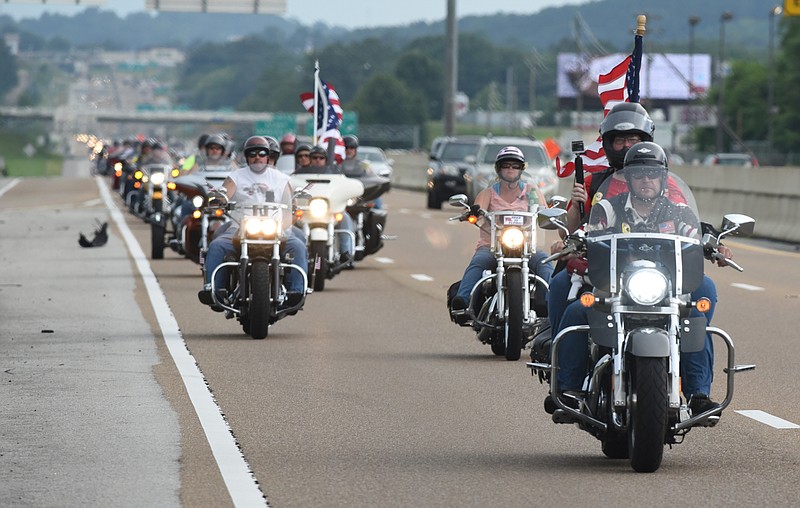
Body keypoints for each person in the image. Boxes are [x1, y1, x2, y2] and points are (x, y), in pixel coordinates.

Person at [552, 142, 728, 416]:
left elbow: (693, 235)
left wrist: (712, 246)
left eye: (652, 174)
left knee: (698, 313)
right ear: (629, 179)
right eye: (639, 175)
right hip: (616, 286)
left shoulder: (678, 212)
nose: (646, 180)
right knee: (577, 312)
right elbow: (590, 233)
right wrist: (577, 240)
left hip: (664, 287)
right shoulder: (608, 208)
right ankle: (568, 391)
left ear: (663, 179)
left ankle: (698, 395)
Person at [198, 135, 307, 309]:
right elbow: (225, 191)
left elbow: (290, 208)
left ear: (268, 155)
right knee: (217, 245)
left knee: (299, 246)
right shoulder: (236, 176)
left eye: (262, 153)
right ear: (247, 156)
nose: (257, 156)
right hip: (240, 227)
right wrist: (219, 197)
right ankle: (215, 290)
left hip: (276, 228)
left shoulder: (281, 179)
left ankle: (296, 292)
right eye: (252, 153)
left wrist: (286, 222)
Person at [450, 146, 554, 313]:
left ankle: (550, 303)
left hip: (526, 247)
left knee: (545, 263)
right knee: (478, 263)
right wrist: (474, 213)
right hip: (492, 247)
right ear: (498, 169)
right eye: (506, 165)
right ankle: (463, 301)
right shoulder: (488, 193)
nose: (511, 169)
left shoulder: (532, 191)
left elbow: (544, 210)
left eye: (515, 165)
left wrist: (550, 214)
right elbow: (477, 211)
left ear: (522, 169)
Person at [294, 145, 355, 262]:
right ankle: (292, 256)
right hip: (306, 212)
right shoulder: (299, 174)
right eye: (315, 157)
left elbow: (343, 187)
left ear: (326, 160)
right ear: (310, 159)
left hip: (329, 210)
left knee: (346, 218)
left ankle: (346, 252)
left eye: (321, 158)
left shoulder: (335, 174)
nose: (318, 160)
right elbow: (290, 186)